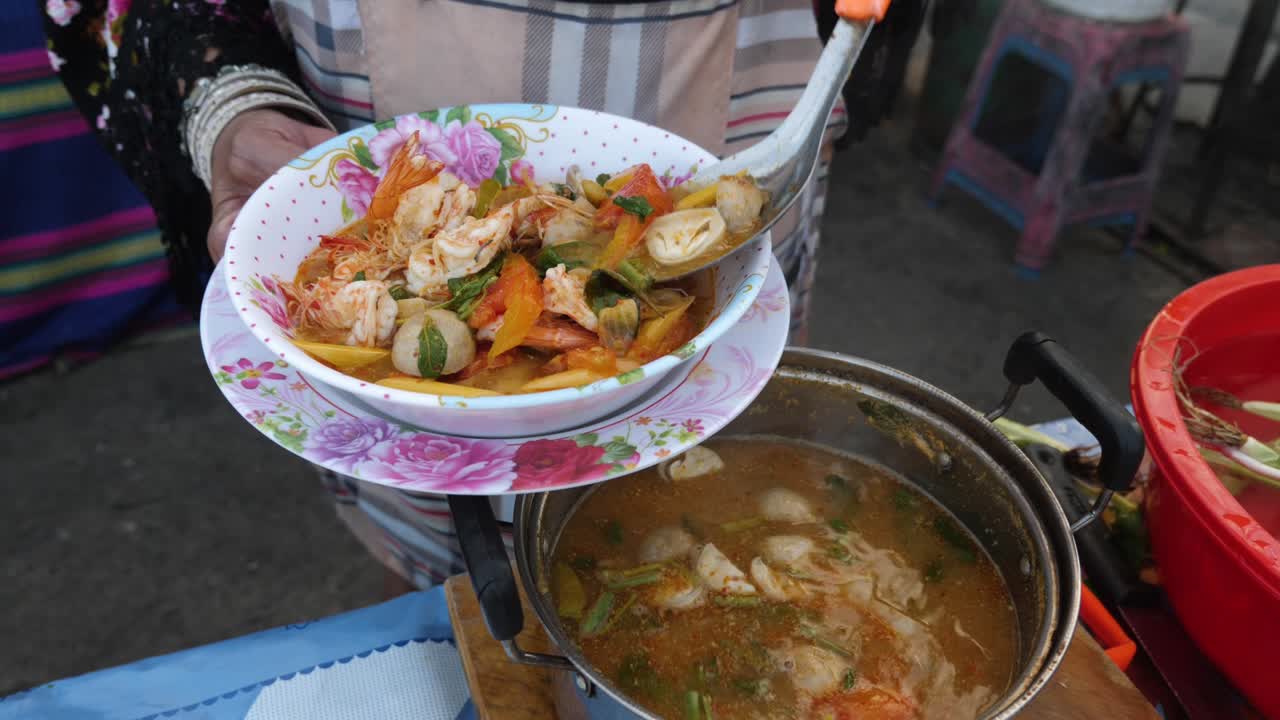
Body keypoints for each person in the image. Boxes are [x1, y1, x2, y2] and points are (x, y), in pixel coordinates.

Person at [45, 0, 889, 593]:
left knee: (695, 499)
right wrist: (232, 101)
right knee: (429, 550)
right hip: (352, 103)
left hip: (737, 91)